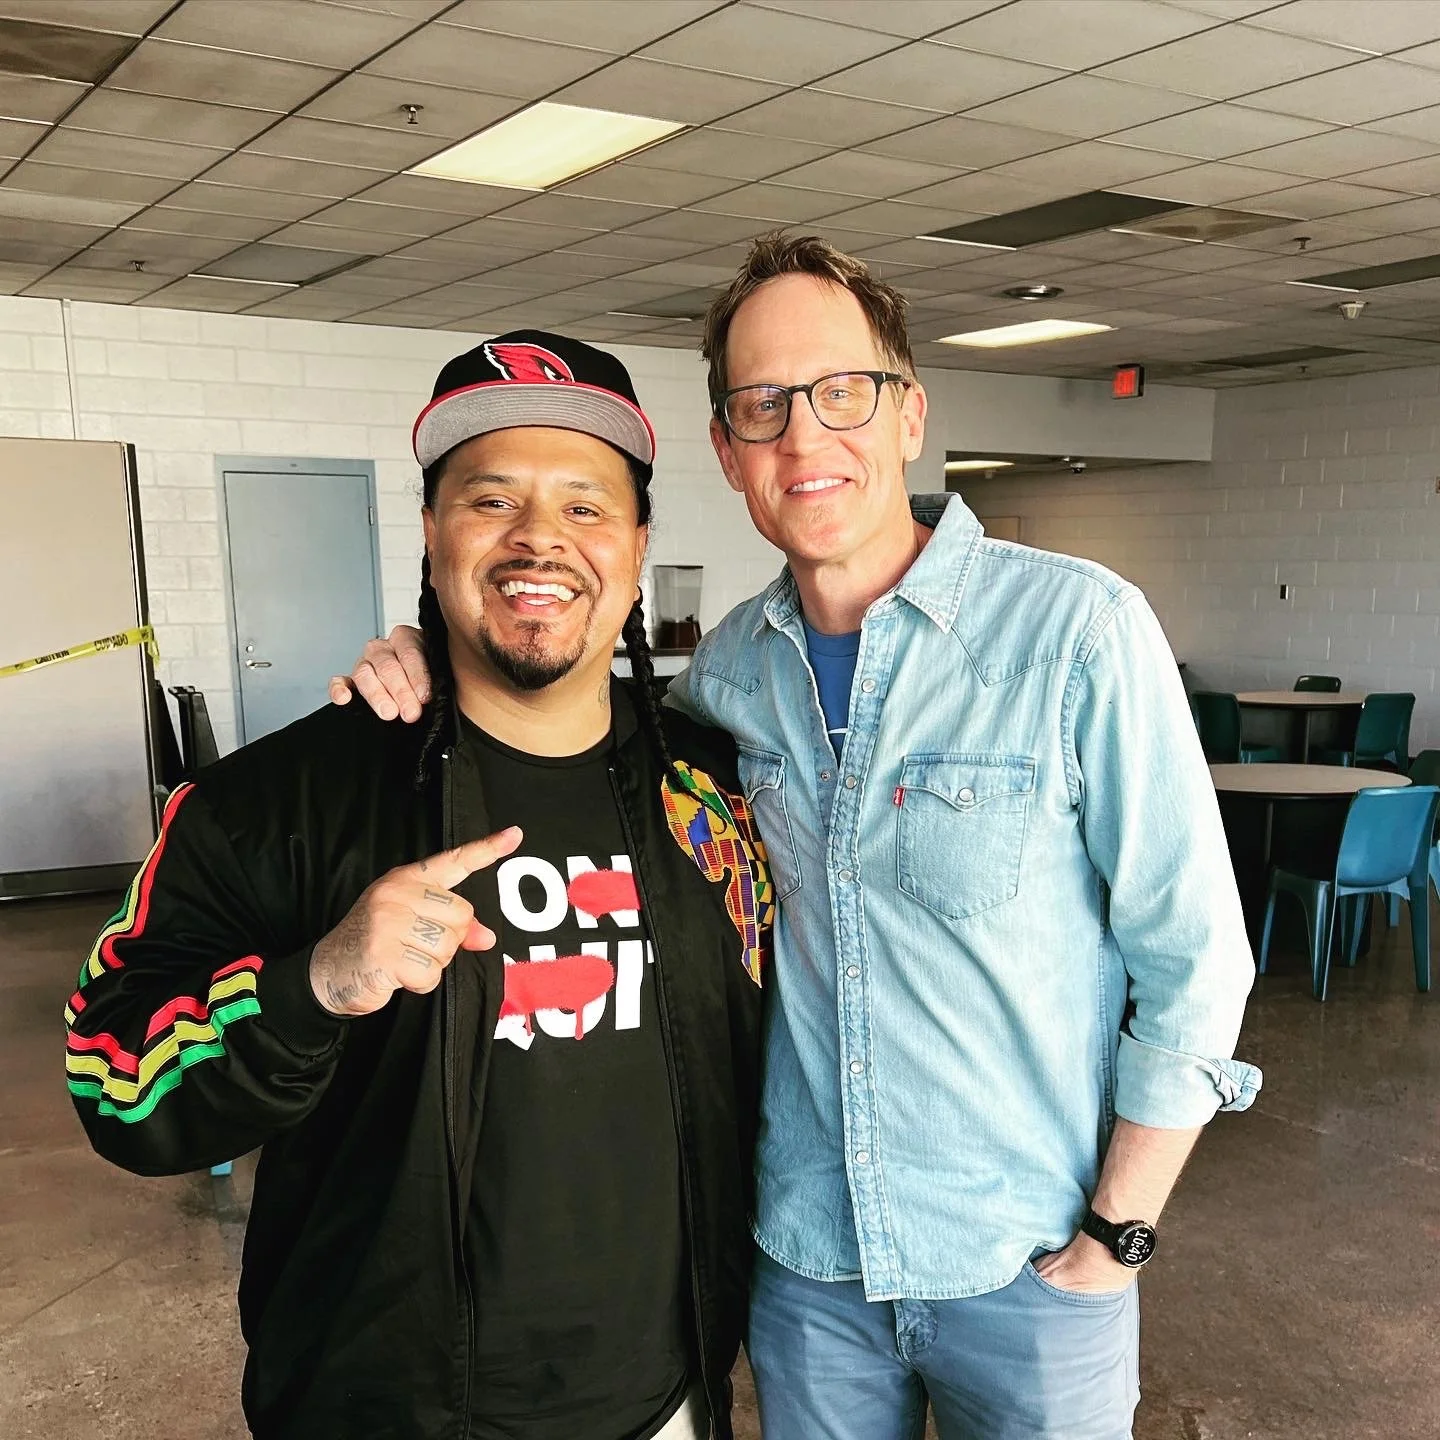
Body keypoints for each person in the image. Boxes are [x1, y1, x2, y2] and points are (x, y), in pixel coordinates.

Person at [338, 236, 1262, 1440]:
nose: (803, 436)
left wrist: (1114, 1235)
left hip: (1024, 1263)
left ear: (909, 413)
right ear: (728, 450)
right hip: (809, 1268)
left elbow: (1196, 959)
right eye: (762, 404)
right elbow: (563, 714)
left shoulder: (1077, 633)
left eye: (843, 392)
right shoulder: (729, 673)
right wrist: (434, 654)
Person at [66, 331, 774, 1440]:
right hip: (385, 1409)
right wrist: (315, 984)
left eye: (585, 505)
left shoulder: (715, 790)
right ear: (432, 533)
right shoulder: (276, 803)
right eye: (490, 500)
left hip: (669, 1399)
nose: (539, 537)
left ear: (638, 546)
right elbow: (114, 1081)